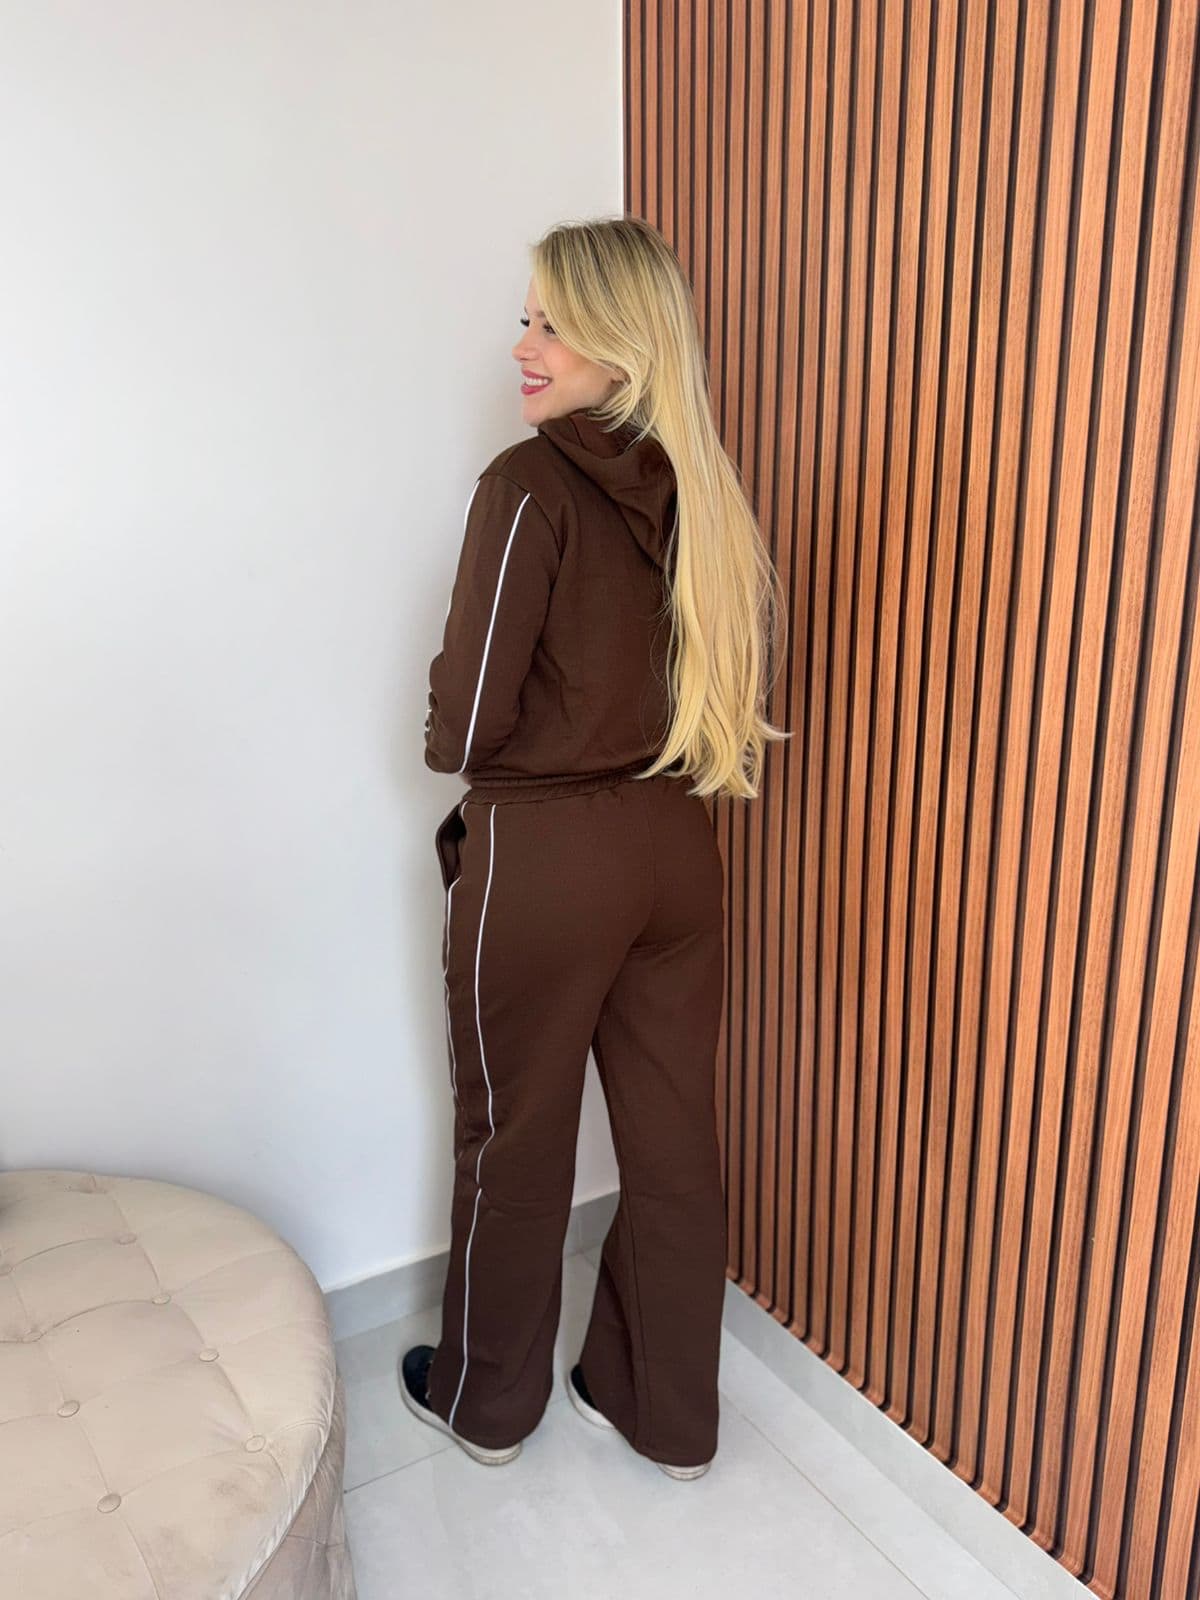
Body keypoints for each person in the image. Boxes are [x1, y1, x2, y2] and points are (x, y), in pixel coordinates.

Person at [400, 215, 789, 1480]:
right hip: (678, 849)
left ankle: (485, 1403)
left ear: (621, 343)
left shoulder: (527, 484)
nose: (523, 346)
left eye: (553, 324)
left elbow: (465, 724)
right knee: (673, 1138)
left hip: (548, 855)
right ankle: (665, 1414)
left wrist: (447, 705)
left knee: (513, 1134)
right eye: (527, 319)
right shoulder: (701, 490)